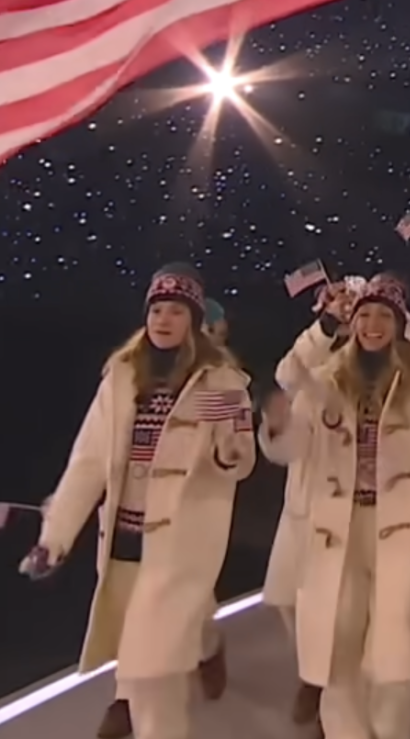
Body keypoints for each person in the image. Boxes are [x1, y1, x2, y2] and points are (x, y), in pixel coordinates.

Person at [29, 265, 256, 739]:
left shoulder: (221, 382)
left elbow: (240, 462)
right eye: (157, 310)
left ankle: (145, 700)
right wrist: (54, 539)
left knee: (154, 679)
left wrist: (228, 447)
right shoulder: (121, 377)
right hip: (124, 548)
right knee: (142, 660)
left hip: (181, 549)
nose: (164, 319)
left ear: (194, 321)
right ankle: (196, 652)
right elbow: (88, 462)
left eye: (176, 311)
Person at [276, 273, 410, 739]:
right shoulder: (326, 377)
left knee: (393, 656)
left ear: (399, 324)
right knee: (336, 645)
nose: (373, 324)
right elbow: (290, 415)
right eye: (364, 314)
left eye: (385, 315)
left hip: (400, 526)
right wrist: (278, 427)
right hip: (335, 526)